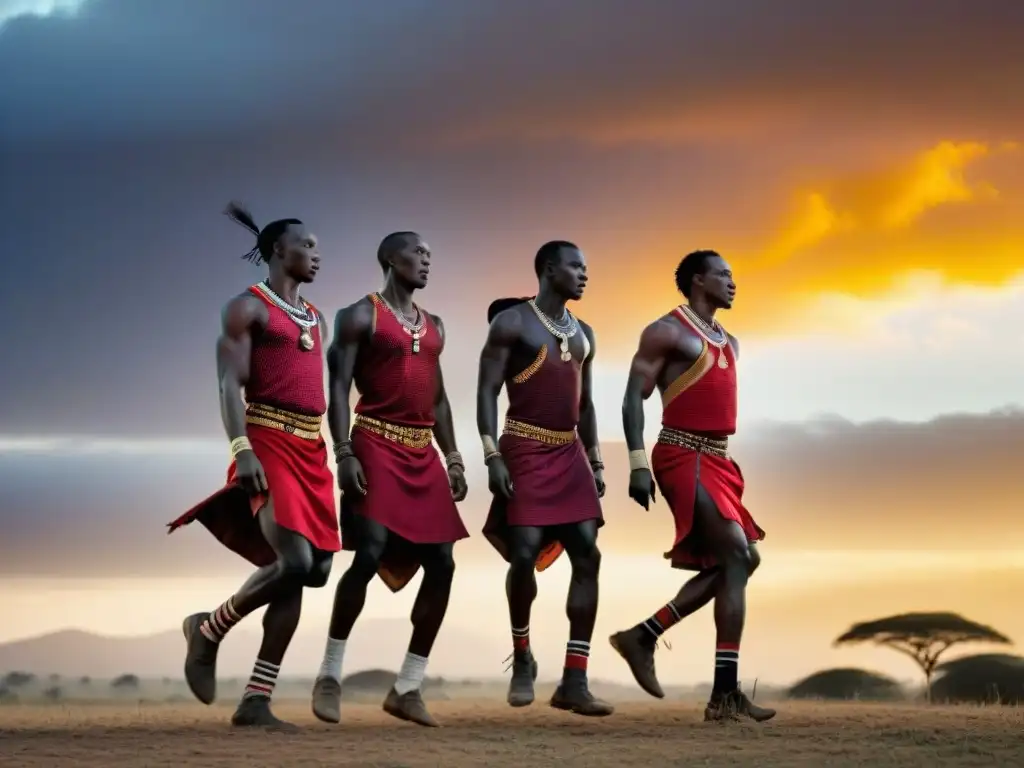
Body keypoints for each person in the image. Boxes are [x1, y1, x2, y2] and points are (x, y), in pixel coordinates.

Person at [166, 203, 340, 730]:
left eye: (316, 246)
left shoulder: (318, 318)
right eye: (306, 245)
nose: (316, 253)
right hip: (266, 441)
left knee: (314, 572)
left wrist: (344, 453)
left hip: (314, 452)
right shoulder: (247, 309)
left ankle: (255, 700)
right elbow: (228, 384)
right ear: (276, 251)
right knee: (293, 561)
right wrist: (241, 448)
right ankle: (208, 630)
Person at [607, 250, 774, 723]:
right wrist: (637, 463)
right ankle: (724, 696)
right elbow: (631, 399)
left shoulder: (731, 343)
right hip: (681, 454)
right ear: (698, 280)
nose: (732, 282)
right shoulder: (666, 331)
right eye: (724, 274)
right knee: (737, 556)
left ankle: (643, 635)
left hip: (719, 461)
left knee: (743, 560)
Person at [310, 232, 469, 728]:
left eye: (430, 254)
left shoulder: (436, 326)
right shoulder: (359, 316)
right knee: (371, 550)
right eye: (417, 253)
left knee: (443, 563)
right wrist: (343, 450)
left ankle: (408, 686)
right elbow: (337, 386)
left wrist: (456, 457)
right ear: (389, 259)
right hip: (374, 443)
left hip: (424, 451)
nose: (426, 261)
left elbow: (438, 400)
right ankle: (330, 674)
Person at [477, 241, 613, 718]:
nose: (584, 274)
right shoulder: (511, 323)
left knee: (587, 552)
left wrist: (596, 461)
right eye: (576, 265)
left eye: (586, 266)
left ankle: (574, 679)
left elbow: (588, 405)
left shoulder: (585, 333)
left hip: (570, 451)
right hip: (523, 447)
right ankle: (522, 657)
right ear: (549, 269)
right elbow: (487, 390)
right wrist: (492, 454)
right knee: (523, 551)